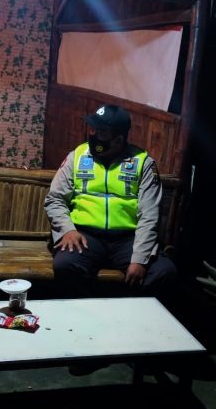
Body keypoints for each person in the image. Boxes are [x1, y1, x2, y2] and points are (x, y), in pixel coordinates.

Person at [44, 104, 177, 299]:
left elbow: (150, 215)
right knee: (65, 265)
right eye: (93, 129)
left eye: (102, 132)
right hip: (85, 236)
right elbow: (55, 199)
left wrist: (140, 259)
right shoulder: (77, 156)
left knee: (163, 272)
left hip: (128, 239)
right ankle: (88, 312)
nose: (94, 135)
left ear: (119, 139)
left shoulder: (143, 163)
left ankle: (128, 313)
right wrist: (67, 230)